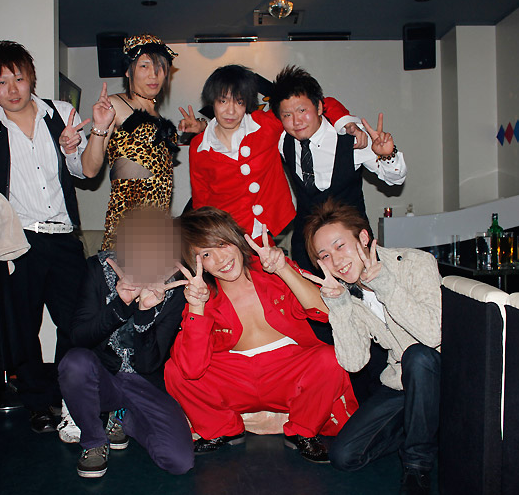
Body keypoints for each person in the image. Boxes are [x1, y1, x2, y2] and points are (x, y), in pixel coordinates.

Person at [0, 40, 89, 433]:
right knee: (23, 327)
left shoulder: (61, 114)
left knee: (76, 324)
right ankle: (38, 403)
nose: (12, 89)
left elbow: (81, 172)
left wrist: (73, 148)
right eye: (2, 82)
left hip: (64, 237)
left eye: (19, 78)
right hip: (20, 241)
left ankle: (70, 395)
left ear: (31, 78)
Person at [164, 206, 358, 464]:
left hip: (288, 369)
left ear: (236, 238)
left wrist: (283, 269)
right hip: (235, 377)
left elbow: (325, 312)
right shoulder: (202, 296)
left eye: (222, 244)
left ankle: (302, 431)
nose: (220, 259)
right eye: (206, 254)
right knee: (175, 370)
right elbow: (191, 369)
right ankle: (222, 429)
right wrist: (197, 307)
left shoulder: (271, 270)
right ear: (198, 264)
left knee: (330, 358)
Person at [301, 200, 441, 495]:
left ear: (363, 237)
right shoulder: (346, 293)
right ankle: (421, 427)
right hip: (400, 382)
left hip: (437, 373)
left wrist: (386, 286)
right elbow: (354, 362)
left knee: (417, 356)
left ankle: (417, 466)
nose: (336, 261)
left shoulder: (414, 263)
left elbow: (432, 335)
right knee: (344, 457)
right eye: (325, 256)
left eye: (340, 246)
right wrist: (339, 306)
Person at [58, 208, 194, 478]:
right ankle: (94, 441)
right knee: (74, 363)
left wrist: (144, 313)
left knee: (178, 461)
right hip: (102, 377)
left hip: (145, 383)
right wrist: (120, 305)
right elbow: (79, 337)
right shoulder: (99, 269)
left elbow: (149, 364)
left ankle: (123, 416)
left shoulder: (175, 286)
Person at [186, 65, 364, 242]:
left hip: (268, 229)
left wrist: (345, 122)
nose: (231, 111)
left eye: (239, 102)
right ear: (212, 101)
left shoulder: (265, 124)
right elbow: (201, 201)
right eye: (223, 101)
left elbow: (317, 104)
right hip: (228, 235)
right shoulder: (199, 146)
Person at [270, 65, 407, 273]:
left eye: (302, 110)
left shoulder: (352, 139)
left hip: (354, 248)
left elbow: (395, 179)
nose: (296, 121)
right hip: (308, 250)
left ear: (318, 107)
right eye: (287, 115)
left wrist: (387, 154)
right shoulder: (283, 141)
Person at [80, 34, 200, 250]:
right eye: (144, 66)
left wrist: (201, 127)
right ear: (128, 70)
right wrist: (99, 126)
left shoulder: (158, 116)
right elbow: (89, 170)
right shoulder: (115, 104)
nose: (153, 74)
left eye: (160, 67)